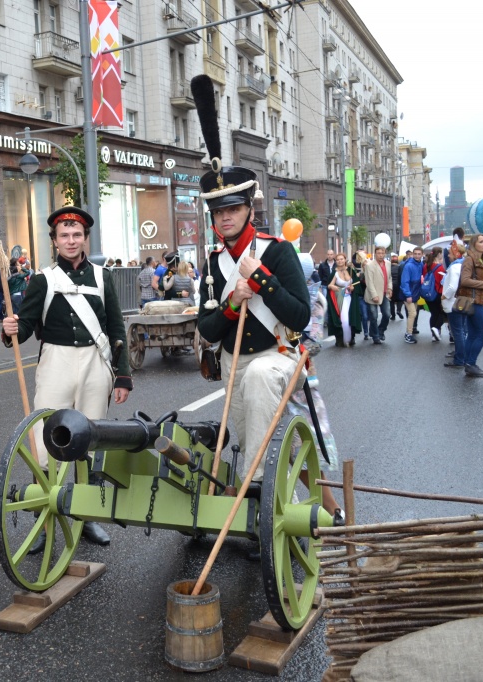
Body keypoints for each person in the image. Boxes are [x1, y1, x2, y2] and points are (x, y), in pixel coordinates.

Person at [189, 75, 342, 528]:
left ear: (248, 211)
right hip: (236, 366)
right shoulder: (214, 263)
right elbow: (208, 329)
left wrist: (265, 283)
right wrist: (234, 302)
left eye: (232, 210)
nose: (225, 218)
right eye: (219, 212)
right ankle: (290, 508)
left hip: (280, 359)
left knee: (302, 442)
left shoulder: (276, 252)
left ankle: (256, 493)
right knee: (266, 435)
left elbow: (300, 317)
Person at [1, 206, 133, 549]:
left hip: (94, 362)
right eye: (64, 236)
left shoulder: (103, 278)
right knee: (46, 443)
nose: (71, 241)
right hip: (56, 362)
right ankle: (45, 524)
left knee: (89, 442)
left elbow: (116, 327)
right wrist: (11, 328)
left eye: (77, 235)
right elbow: (27, 326)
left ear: (85, 238)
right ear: (55, 241)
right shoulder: (42, 279)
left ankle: (87, 518)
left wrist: (123, 376)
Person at [458, 235, 483, 377]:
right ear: (474, 244)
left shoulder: (482, 259)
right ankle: (471, 362)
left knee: (473, 333)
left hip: (476, 300)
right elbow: (465, 280)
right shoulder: (470, 259)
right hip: (473, 301)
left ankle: (469, 364)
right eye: (481, 242)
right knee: (482, 333)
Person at [440, 241, 468, 368]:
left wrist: (444, 296)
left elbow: (452, 286)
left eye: (450, 253)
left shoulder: (454, 267)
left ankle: (459, 359)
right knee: (461, 331)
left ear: (456, 254)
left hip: (453, 303)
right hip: (462, 301)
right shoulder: (464, 265)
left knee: (457, 332)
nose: (448, 256)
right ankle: (460, 354)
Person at [326, 253, 360, 348]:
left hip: (350, 299)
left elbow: (357, 284)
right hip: (339, 298)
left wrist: (353, 288)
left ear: (345, 260)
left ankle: (351, 338)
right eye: (338, 259)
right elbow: (329, 285)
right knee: (342, 319)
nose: (340, 261)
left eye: (341, 259)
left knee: (350, 317)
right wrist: (332, 286)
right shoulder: (334, 272)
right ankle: (340, 338)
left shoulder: (351, 270)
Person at [362, 247, 392, 344]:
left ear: (385, 254)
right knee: (374, 316)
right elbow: (369, 282)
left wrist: (390, 288)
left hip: (385, 293)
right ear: (375, 254)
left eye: (382, 253)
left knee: (387, 314)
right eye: (378, 253)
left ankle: (380, 330)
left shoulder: (388, 264)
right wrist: (374, 295)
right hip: (373, 294)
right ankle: (375, 336)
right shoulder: (370, 265)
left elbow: (390, 277)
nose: (380, 255)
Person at [400, 247, 425, 343]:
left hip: (415, 293)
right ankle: (408, 334)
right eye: (415, 253)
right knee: (413, 313)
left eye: (419, 254)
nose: (417, 255)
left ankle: (408, 333)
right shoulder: (409, 266)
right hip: (409, 294)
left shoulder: (420, 264)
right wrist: (408, 295)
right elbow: (404, 281)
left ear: (422, 254)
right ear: (413, 254)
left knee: (413, 314)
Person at [422, 248, 447, 342]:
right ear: (439, 254)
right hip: (438, 292)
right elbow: (443, 281)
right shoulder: (440, 267)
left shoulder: (426, 266)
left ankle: (434, 335)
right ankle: (436, 328)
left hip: (427, 293)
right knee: (443, 313)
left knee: (433, 313)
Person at [389, 253, 405, 321]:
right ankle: (398, 310)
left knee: (391, 301)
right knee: (400, 299)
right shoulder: (400, 267)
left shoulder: (389, 267)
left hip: (391, 285)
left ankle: (393, 315)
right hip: (399, 285)